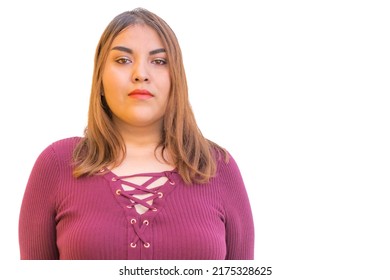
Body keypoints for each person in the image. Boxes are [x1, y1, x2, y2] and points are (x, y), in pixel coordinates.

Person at [19, 7, 254, 260]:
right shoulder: (56, 164)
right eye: (123, 60)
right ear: (99, 79)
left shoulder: (218, 167)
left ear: (177, 79)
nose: (141, 74)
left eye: (159, 61)